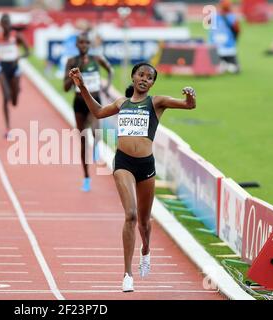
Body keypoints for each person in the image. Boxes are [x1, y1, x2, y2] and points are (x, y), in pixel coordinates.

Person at [69, 62, 196, 292]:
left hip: (146, 165)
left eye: (149, 77)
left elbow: (188, 105)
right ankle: (127, 274)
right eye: (141, 75)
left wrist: (190, 96)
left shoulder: (156, 102)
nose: (144, 79)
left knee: (145, 223)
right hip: (123, 163)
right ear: (133, 77)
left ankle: (145, 250)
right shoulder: (122, 103)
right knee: (131, 215)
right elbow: (97, 112)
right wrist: (83, 87)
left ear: (152, 83)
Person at [63, 32, 114, 192]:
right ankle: (86, 177)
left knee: (94, 129)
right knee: (83, 140)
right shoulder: (72, 61)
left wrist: (106, 86)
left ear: (89, 45)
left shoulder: (96, 59)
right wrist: (72, 78)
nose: (84, 45)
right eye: (81, 43)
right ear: (77, 45)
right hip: (79, 102)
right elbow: (65, 88)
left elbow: (110, 70)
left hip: (95, 100)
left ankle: (97, 146)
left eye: (86, 42)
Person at [0, 13, 30, 138]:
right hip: (1, 68)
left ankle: (17, 90)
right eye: (3, 23)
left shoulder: (17, 36)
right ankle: (8, 128)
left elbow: (27, 51)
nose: (5, 26)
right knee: (6, 97)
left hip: (14, 68)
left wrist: (19, 57)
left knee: (14, 102)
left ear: (10, 24)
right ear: (1, 25)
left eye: (7, 23)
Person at [208, 0, 241, 73]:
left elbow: (210, 31)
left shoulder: (213, 16)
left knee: (214, 66)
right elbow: (237, 30)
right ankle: (227, 65)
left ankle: (221, 65)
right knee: (236, 69)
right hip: (228, 48)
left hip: (214, 49)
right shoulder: (232, 17)